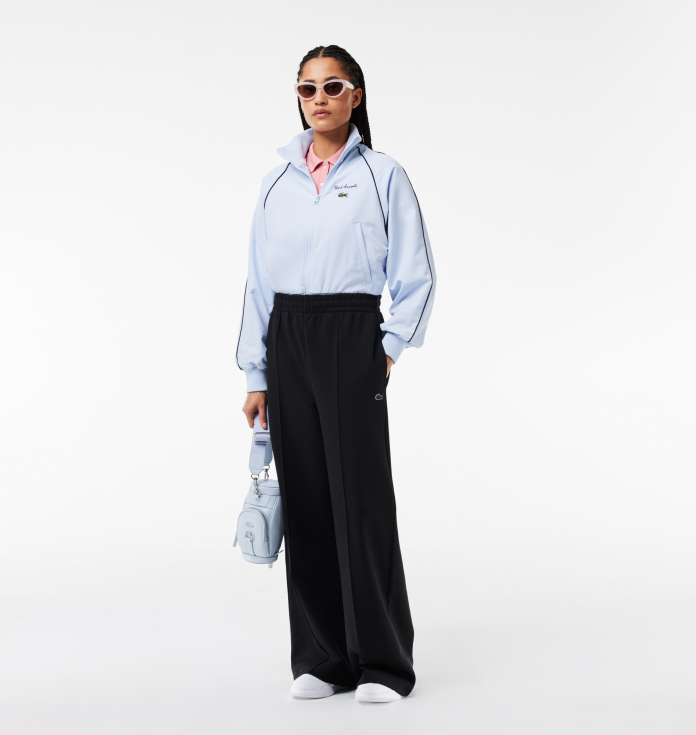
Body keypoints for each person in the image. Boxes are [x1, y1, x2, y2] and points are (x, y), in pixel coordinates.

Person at [235, 45, 437, 703]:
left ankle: (382, 661)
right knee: (308, 497)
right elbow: (258, 281)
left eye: (332, 86)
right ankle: (323, 657)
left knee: (361, 499)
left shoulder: (382, 175)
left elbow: (415, 272)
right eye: (307, 88)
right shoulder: (276, 182)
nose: (318, 98)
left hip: (351, 334)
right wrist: (256, 373)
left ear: (356, 95)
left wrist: (386, 349)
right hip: (287, 336)